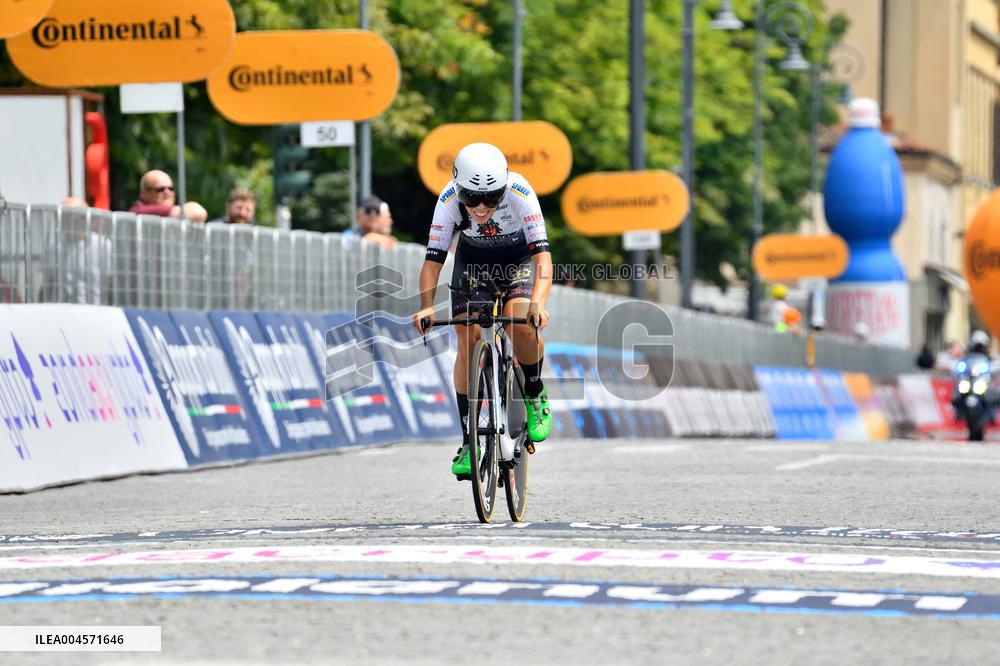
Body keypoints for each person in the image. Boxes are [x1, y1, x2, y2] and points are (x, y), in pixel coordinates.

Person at [410, 142, 553, 479]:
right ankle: (468, 441)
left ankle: (534, 393)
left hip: (518, 261)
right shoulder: (447, 201)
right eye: (471, 198)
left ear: (504, 187)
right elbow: (433, 262)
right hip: (473, 264)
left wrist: (539, 304)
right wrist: (426, 307)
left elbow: (542, 258)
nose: (480, 206)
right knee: (468, 338)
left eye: (491, 197)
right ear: (458, 188)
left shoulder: (520, 192)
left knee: (521, 323)